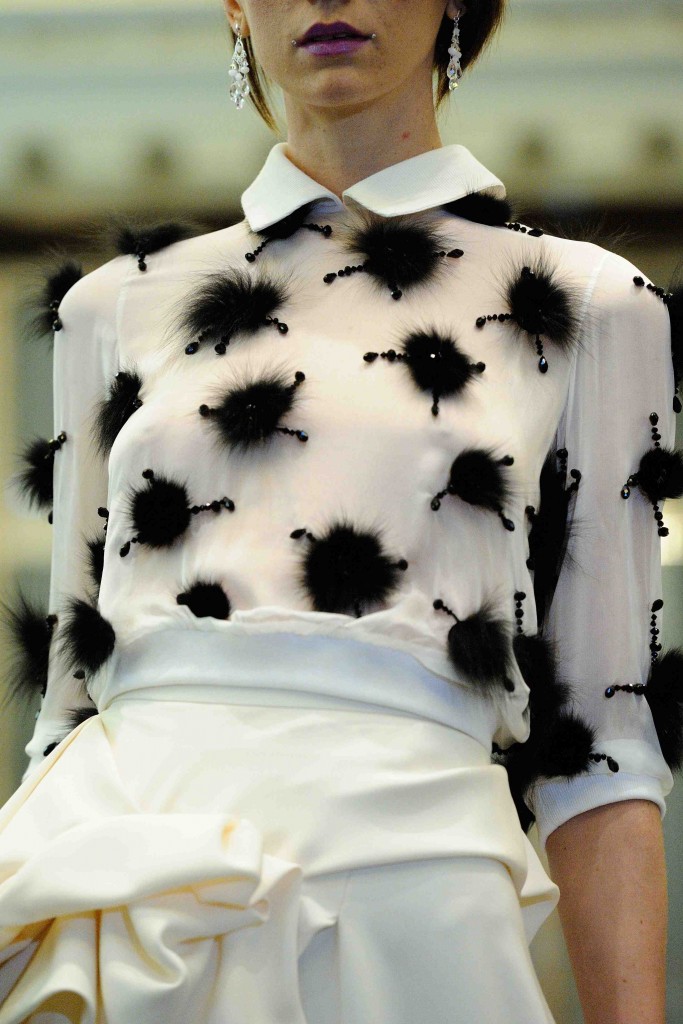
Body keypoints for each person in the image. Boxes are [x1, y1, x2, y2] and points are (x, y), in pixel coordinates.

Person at [0, 1, 680, 1021]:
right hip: (125, 882)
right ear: (233, 3)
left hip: (405, 890)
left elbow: (602, 753)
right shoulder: (115, 305)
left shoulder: (588, 305)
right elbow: (68, 704)